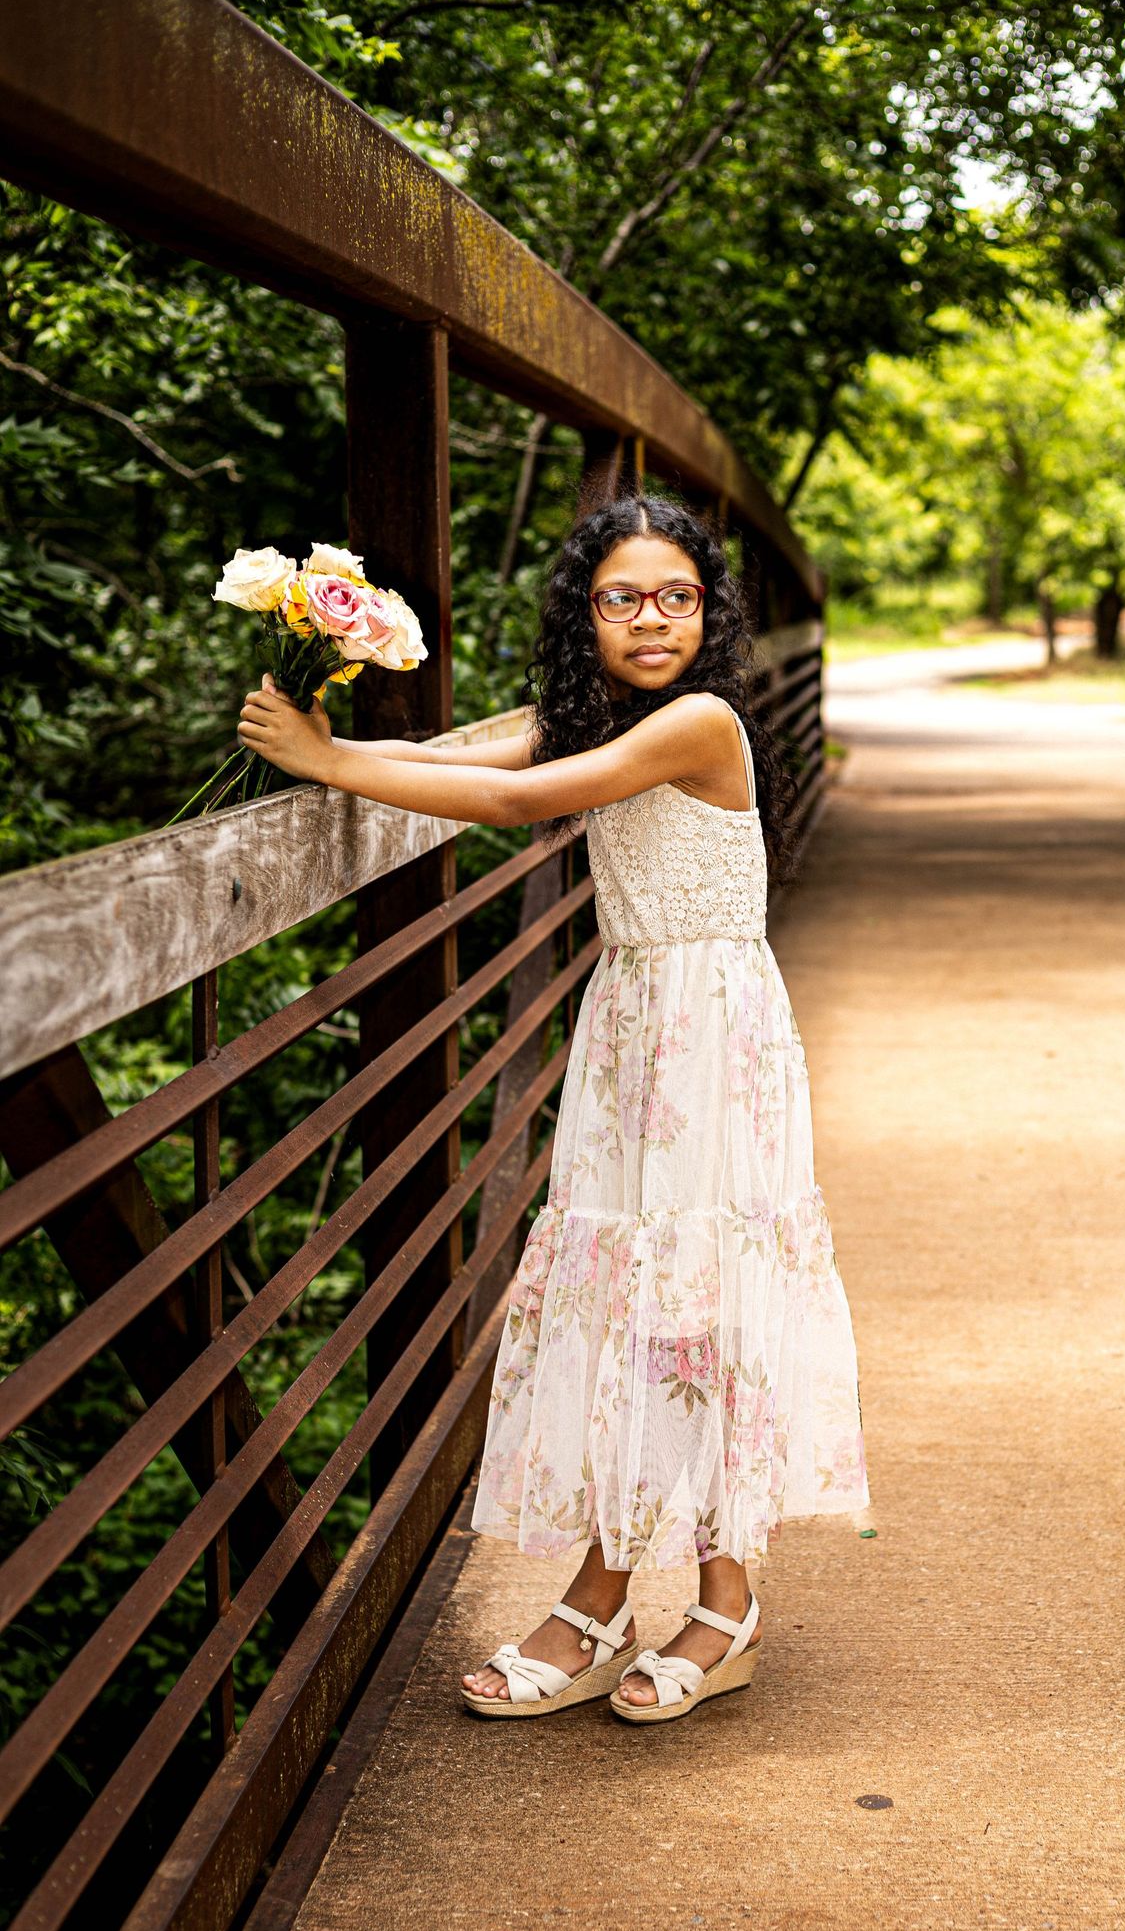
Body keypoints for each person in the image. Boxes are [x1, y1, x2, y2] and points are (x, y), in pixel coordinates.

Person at [236, 493, 871, 1726]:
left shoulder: (699, 720)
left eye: (678, 596)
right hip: (634, 1026)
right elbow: (464, 763)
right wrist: (332, 737)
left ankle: (717, 1597)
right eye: (621, 597)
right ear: (587, 614)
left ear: (711, 614)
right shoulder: (600, 717)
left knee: (696, 1293)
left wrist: (328, 763)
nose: (652, 618)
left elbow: (522, 803)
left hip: (709, 1035)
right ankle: (615, 1588)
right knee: (630, 1290)